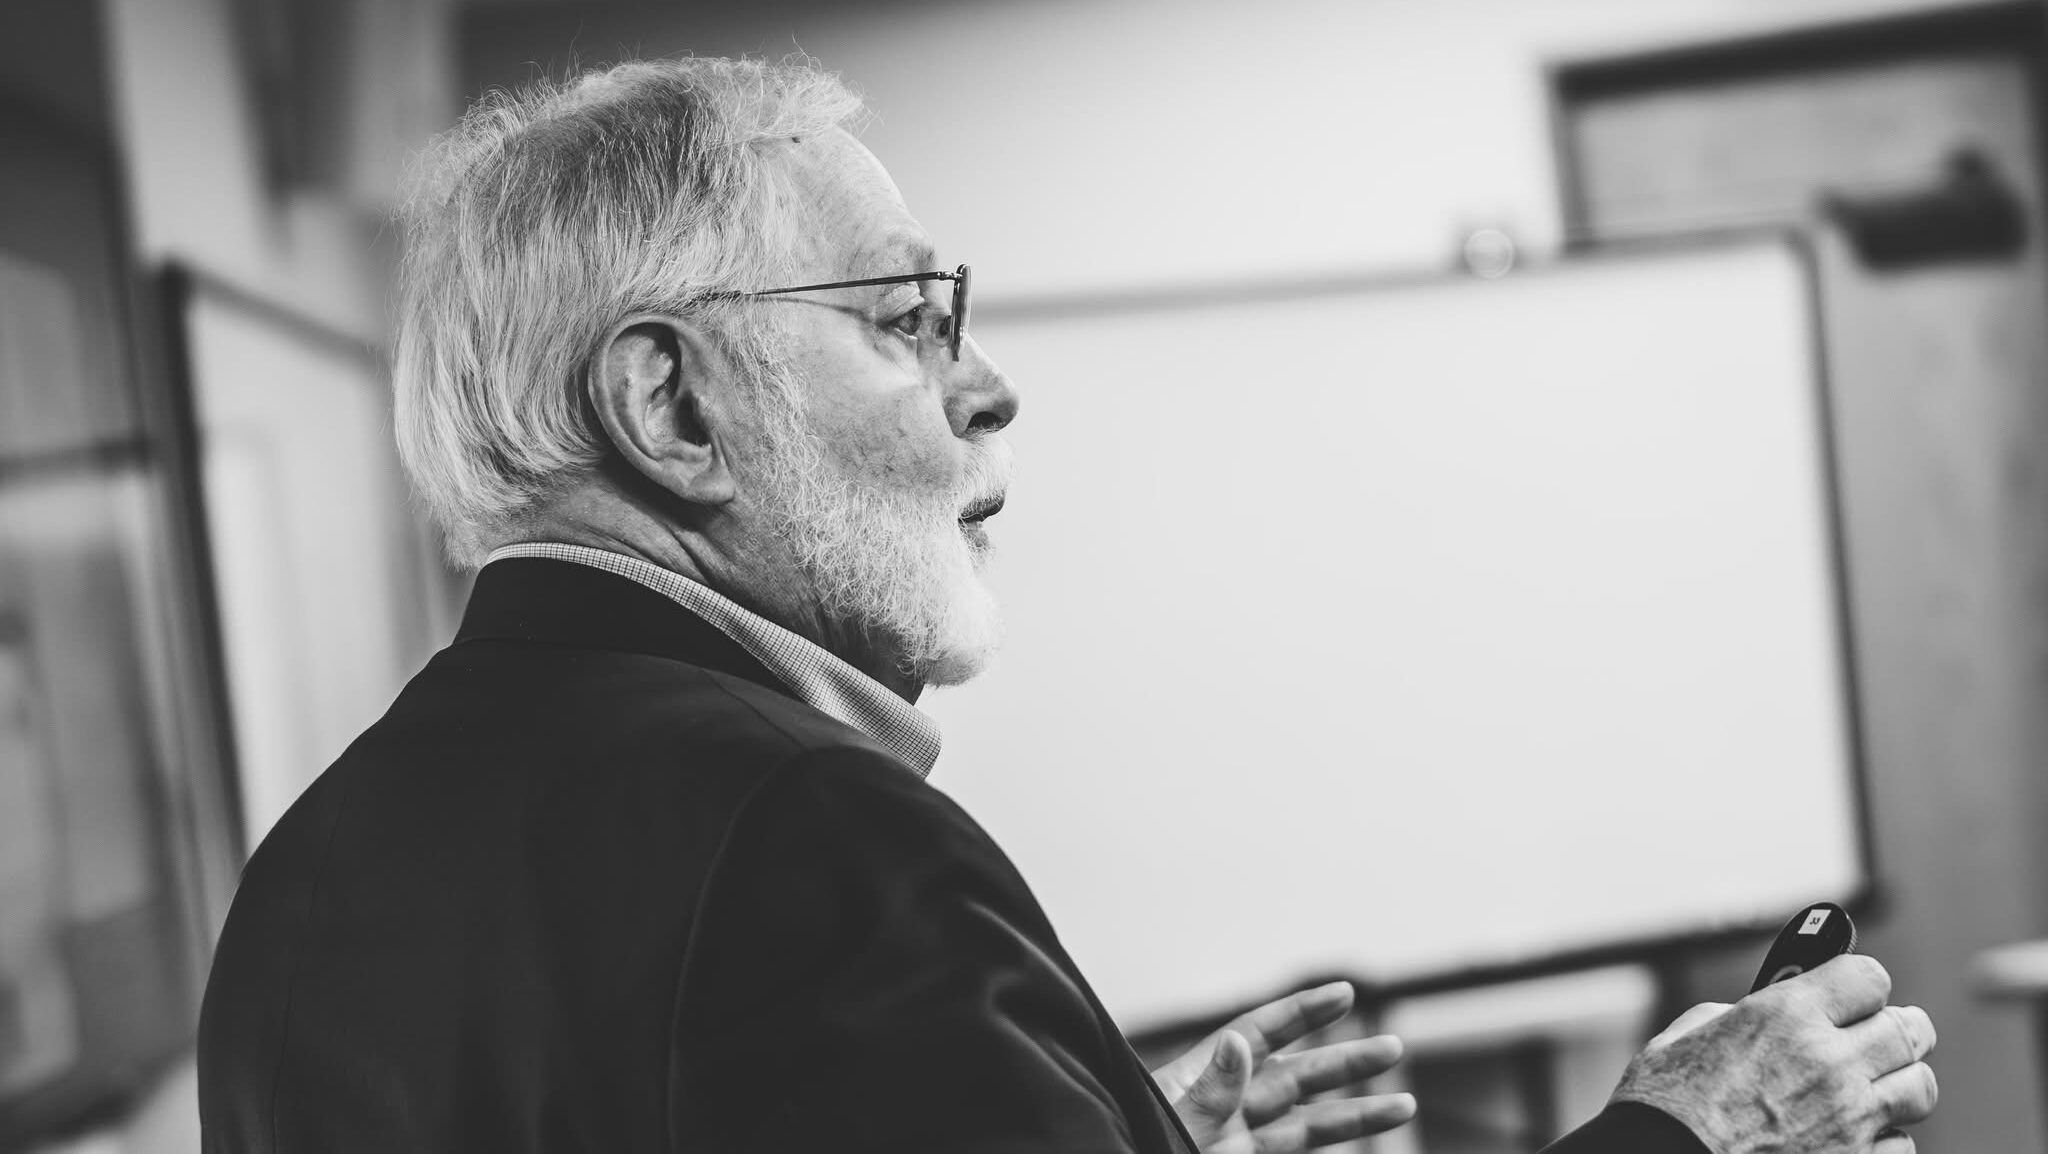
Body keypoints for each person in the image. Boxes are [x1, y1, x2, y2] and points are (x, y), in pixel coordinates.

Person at [195, 56, 1938, 1154]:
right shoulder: (807, 833)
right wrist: (1691, 1134)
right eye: (906, 321)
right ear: (672, 407)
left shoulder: (306, 885)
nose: (988, 386)